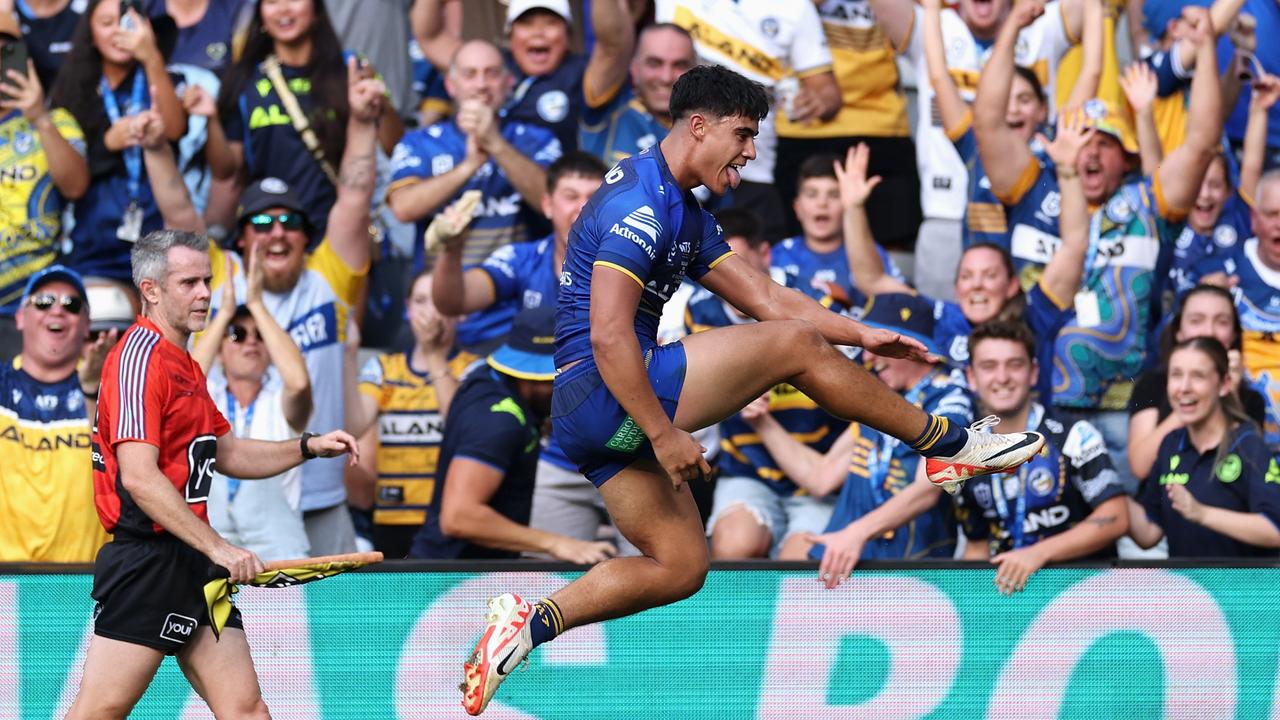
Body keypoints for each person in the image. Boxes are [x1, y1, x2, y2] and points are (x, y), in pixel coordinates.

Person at [459, 64, 1047, 716]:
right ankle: (948, 443)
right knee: (793, 348)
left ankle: (530, 623)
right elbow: (606, 337)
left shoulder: (680, 205)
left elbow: (767, 296)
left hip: (590, 416)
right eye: (742, 134)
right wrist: (662, 431)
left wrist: (861, 332)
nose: (749, 151)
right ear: (699, 125)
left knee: (682, 567)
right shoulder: (642, 206)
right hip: (609, 387)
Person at [66, 229, 357, 719]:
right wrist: (219, 547)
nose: (204, 292)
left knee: (246, 709)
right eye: (189, 283)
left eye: (207, 280)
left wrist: (307, 446)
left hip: (191, 559)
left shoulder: (182, 361)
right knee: (98, 712)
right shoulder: (141, 358)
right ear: (151, 290)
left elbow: (224, 449)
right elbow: (139, 477)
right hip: (150, 561)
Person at [976, 1, 1225, 493]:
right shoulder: (1033, 188)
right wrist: (1012, 31)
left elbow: (1201, 142)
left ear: (1126, 155)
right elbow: (987, 122)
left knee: (1130, 553)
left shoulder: (1148, 202)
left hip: (1130, 412)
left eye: (1104, 141)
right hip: (1040, 410)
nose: (1089, 149)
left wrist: (1209, 50)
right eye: (1082, 137)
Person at [804, 320, 1130, 592]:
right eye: (989, 367)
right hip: (1012, 595)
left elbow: (1116, 516)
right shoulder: (964, 450)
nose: (1001, 378)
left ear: (1032, 373)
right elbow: (976, 544)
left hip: (1085, 592)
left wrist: (1037, 554)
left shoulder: (1073, 433)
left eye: (1014, 365)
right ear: (972, 378)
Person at [205, 63, 384, 556]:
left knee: (337, 624)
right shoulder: (221, 276)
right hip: (238, 490)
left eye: (290, 222)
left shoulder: (330, 274)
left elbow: (354, 194)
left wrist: (364, 123)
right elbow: (179, 209)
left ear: (308, 236)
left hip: (322, 488)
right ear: (241, 238)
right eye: (260, 222)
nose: (276, 231)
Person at [430, 152, 624, 553]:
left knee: (660, 582)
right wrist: (451, 250)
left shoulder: (640, 261)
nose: (583, 207)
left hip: (628, 449)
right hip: (554, 460)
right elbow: (454, 300)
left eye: (595, 196)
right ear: (547, 204)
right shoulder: (522, 259)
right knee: (549, 580)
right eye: (571, 196)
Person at [838, 111, 1095, 399]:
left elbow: (1074, 244)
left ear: (1012, 285)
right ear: (956, 287)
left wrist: (1068, 171)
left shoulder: (1036, 314)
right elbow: (870, 279)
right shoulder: (939, 317)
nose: (977, 285)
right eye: (967, 277)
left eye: (990, 276)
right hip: (959, 441)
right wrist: (853, 208)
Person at [871, 0, 1089, 299]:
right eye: (1006, 100)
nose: (1009, 109)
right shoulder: (937, 26)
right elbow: (939, 77)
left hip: (1039, 231)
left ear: (1043, 108)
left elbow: (1092, 69)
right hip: (948, 215)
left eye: (1024, 99)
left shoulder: (1041, 23)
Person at [753, 293, 976, 563]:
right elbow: (821, 477)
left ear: (911, 346)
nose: (869, 359)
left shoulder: (949, 400)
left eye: (879, 347)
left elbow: (927, 489)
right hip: (851, 557)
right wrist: (761, 421)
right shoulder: (883, 395)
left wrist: (856, 533)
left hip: (909, 569)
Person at [410, 305, 618, 563]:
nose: (572, 385)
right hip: (451, 582)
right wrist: (556, 543)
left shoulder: (487, 381)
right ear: (532, 376)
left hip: (463, 572)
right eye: (562, 377)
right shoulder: (500, 422)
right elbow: (458, 517)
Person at [691, 209, 840, 560]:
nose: (731, 279)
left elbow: (851, 379)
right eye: (718, 268)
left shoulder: (815, 302)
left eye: (740, 264)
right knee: (734, 546)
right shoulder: (697, 313)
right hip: (747, 469)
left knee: (800, 563)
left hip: (818, 469)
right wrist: (728, 394)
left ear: (766, 254)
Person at [202, 0, 402, 238]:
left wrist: (381, 105)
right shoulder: (244, 81)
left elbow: (394, 146)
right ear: (261, 15)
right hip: (271, 231)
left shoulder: (350, 68)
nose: (283, 9)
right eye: (272, 2)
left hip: (340, 233)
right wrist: (210, 119)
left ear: (316, 10)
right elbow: (227, 170)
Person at [653, 0, 841, 242]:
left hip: (752, 175)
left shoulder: (795, 7)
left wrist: (814, 101)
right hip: (681, 162)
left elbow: (828, 93)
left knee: (747, 268)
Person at [387, 39, 562, 283]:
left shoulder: (537, 139)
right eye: (470, 74)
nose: (481, 85)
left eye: (491, 74)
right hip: (438, 298)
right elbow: (402, 208)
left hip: (517, 300)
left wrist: (495, 144)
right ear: (450, 85)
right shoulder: (419, 142)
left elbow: (554, 202)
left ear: (508, 82)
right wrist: (468, 167)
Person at [191, 241, 314, 561]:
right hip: (213, 553)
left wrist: (257, 304)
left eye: (260, 335)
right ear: (219, 350)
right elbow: (185, 382)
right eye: (237, 334)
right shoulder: (204, 397)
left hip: (281, 557)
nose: (250, 342)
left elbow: (299, 383)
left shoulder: (279, 403)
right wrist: (225, 313)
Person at [49, 0, 185, 283]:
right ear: (91, 33)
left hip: (158, 243)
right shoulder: (72, 89)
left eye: (127, 23)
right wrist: (106, 145)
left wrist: (151, 57)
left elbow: (175, 130)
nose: (118, 33)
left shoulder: (162, 78)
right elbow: (69, 176)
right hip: (94, 244)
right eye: (106, 23)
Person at [773, 0, 923, 256]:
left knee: (892, 248)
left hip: (882, 125)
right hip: (804, 127)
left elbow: (920, 32)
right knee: (802, 250)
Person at [414, 0, 640, 154]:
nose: (538, 32)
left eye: (551, 23)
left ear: (568, 35)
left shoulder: (584, 75)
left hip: (559, 202)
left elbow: (614, 44)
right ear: (510, 35)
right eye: (526, 23)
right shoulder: (492, 66)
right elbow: (430, 36)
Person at [1126, 337, 1280, 558]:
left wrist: (1201, 513)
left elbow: (1275, 529)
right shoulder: (1171, 444)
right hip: (1188, 591)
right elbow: (1149, 533)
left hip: (1244, 591)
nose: (1184, 388)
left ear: (1224, 384)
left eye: (1198, 376)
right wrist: (1112, 496)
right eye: (1176, 375)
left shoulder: (1248, 444)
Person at [345, 270, 462, 558]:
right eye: (421, 301)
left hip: (447, 517)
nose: (430, 311)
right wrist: (348, 354)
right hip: (392, 518)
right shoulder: (382, 369)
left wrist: (434, 353)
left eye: (438, 300)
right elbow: (355, 425)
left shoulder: (474, 368)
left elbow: (460, 426)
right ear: (408, 310)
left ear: (458, 312)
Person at [0, 265, 111, 562]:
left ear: (87, 324)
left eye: (72, 305)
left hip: (84, 584)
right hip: (5, 583)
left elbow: (122, 473)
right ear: (21, 317)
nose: (58, 311)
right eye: (44, 302)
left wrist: (92, 391)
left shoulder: (110, 391)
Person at [0, 10, 89, 360]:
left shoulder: (57, 122)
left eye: (6, 53)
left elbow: (76, 185)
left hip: (34, 305)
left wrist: (38, 117)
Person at [1128, 284, 1268, 481]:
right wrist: (1187, 397)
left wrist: (1229, 394)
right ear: (1179, 332)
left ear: (1234, 334)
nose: (1209, 331)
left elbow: (1250, 472)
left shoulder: (1251, 398)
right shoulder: (1152, 384)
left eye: (1221, 322)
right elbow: (1140, 467)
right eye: (1196, 320)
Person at [1194, 171, 1280, 446]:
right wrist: (1207, 300)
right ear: (1254, 220)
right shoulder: (1220, 275)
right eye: (1272, 214)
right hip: (1237, 447)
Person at [771, 153, 905, 306]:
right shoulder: (779, 254)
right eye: (812, 194)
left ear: (847, 205)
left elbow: (899, 303)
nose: (822, 203)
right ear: (797, 208)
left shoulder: (870, 252)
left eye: (834, 195)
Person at [579, 21, 696, 165]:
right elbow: (610, 44)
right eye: (654, 63)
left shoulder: (710, 131)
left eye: (679, 65)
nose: (666, 77)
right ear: (634, 69)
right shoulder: (610, 106)